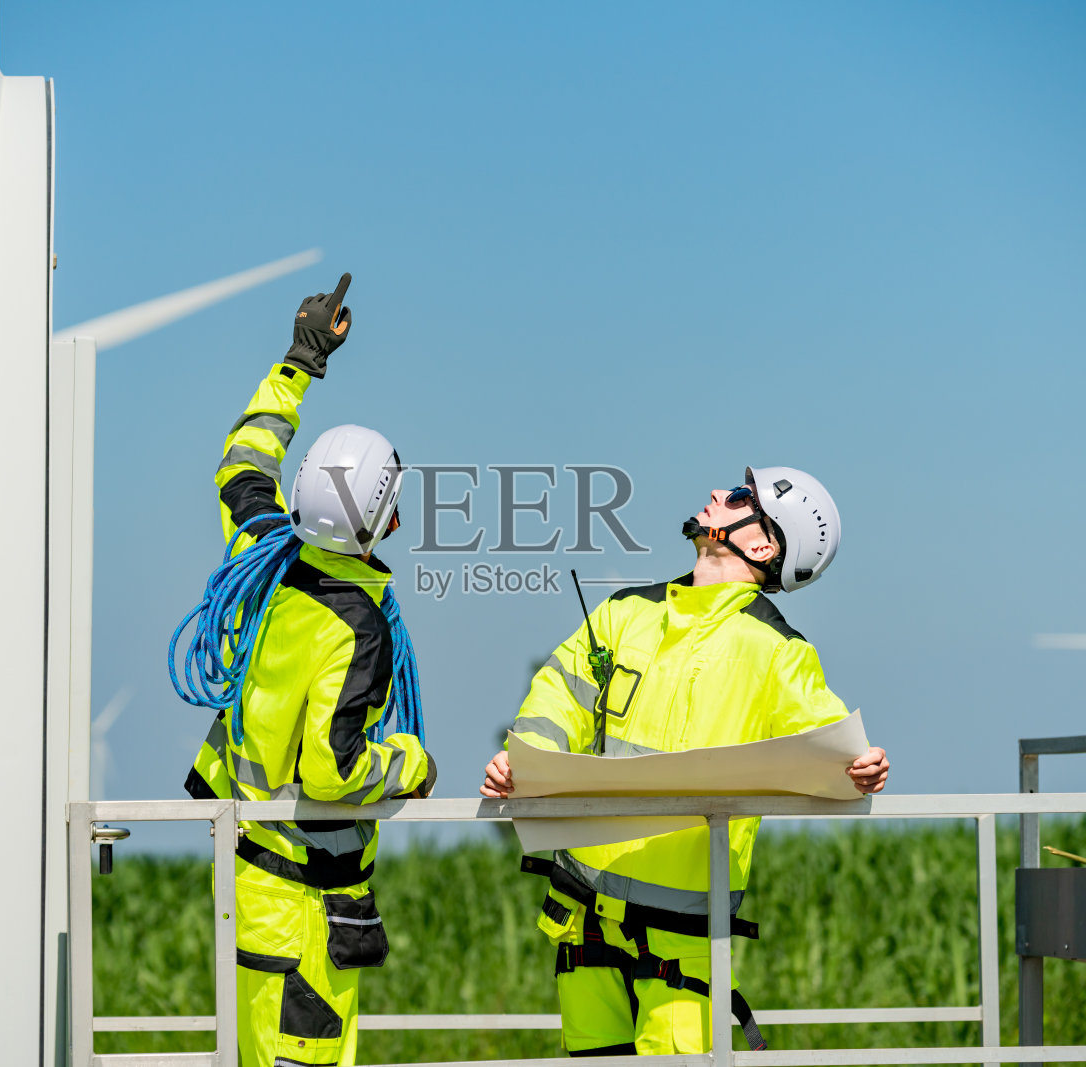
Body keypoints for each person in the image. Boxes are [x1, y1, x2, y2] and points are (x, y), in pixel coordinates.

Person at [481, 467, 889, 1057]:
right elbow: (556, 697)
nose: (721, 494)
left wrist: (862, 770)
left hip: (681, 937)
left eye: (742, 497)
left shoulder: (779, 651)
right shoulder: (625, 613)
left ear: (763, 543)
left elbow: (831, 746)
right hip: (583, 914)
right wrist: (521, 762)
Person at [177, 273, 436, 1067]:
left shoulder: (259, 545)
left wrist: (301, 358)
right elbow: (335, 769)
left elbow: (243, 453)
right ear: (385, 519)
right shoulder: (358, 623)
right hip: (302, 899)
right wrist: (414, 761)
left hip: (249, 875)